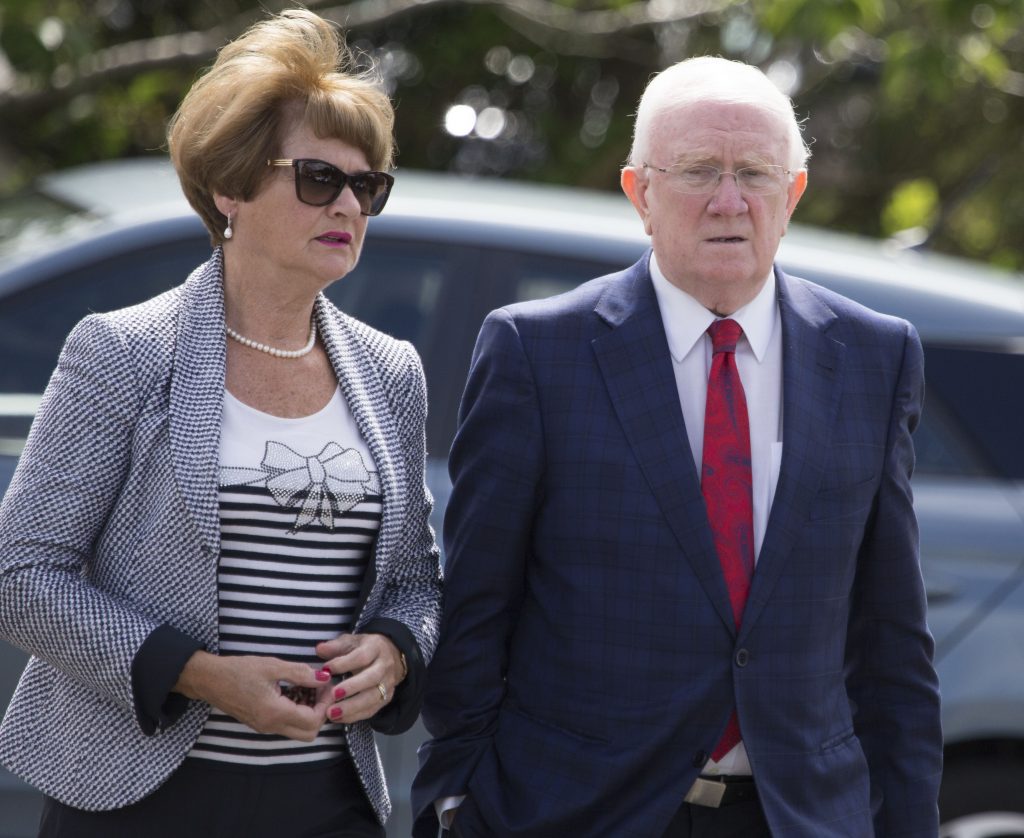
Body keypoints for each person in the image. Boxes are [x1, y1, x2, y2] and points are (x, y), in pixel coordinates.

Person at [412, 56, 942, 837]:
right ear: (641, 194)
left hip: (799, 816)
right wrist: (455, 798)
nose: (730, 201)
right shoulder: (538, 352)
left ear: (790, 197)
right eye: (698, 171)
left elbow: (890, 637)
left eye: (756, 174)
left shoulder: (874, 356)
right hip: (581, 810)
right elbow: (478, 610)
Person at [0, 9, 441, 837]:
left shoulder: (391, 372)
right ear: (230, 186)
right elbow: (21, 575)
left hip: (326, 804)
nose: (348, 201)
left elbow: (416, 582)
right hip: (139, 800)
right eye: (318, 177)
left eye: (366, 185)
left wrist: (396, 651)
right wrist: (200, 675)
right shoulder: (123, 352)